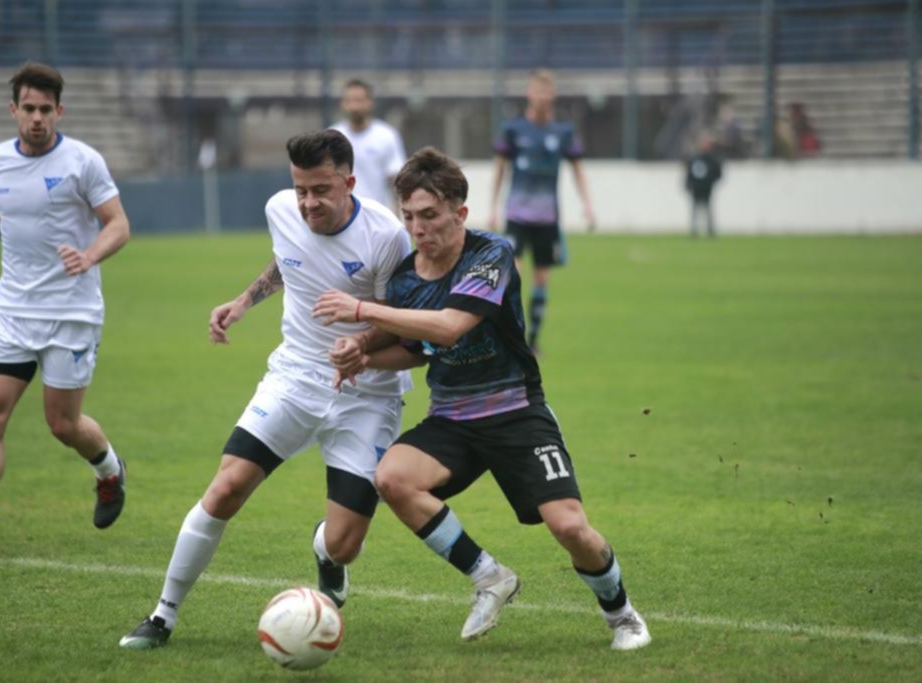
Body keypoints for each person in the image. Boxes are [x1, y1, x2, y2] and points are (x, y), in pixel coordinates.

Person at [314, 147, 651, 651]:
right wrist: (362, 355)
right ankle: (489, 577)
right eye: (408, 217)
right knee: (393, 478)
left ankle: (622, 615)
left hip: (517, 413)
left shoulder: (491, 253)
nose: (418, 228)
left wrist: (362, 312)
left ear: (460, 213)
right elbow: (418, 349)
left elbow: (449, 327)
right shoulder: (406, 278)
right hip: (451, 420)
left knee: (570, 528)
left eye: (429, 215)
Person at [119, 130, 412, 650]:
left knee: (345, 545)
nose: (308, 202)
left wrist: (361, 345)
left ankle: (325, 554)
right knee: (226, 488)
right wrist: (242, 301)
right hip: (295, 377)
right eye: (300, 189)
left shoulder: (387, 236)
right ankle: (163, 615)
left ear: (350, 182)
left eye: (321, 190)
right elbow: (289, 262)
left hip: (367, 394)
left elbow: (402, 321)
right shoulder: (280, 209)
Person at [0, 62, 131, 555]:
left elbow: (118, 225)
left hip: (72, 315)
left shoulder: (83, 161)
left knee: (63, 425)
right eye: (29, 109)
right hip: (12, 312)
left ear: (59, 111)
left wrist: (87, 257)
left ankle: (109, 470)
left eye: (46, 109)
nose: (37, 118)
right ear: (14, 110)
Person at [488, 69, 595, 354]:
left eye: (547, 91)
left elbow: (578, 170)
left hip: (548, 217)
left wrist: (587, 204)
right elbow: (500, 168)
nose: (542, 96)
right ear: (529, 93)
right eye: (537, 90)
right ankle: (513, 335)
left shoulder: (563, 132)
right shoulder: (513, 129)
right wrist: (492, 207)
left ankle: (533, 340)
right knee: (514, 275)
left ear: (553, 95)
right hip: (517, 215)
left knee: (541, 279)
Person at [331, 78, 407, 212]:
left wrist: (397, 215)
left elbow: (396, 181)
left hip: (378, 215)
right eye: (350, 101)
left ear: (370, 103)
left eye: (359, 100)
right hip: (342, 217)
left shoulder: (386, 135)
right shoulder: (332, 136)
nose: (355, 107)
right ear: (342, 104)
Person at [684, 132, 723, 238]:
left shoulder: (712, 159)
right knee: (694, 211)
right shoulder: (695, 158)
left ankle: (710, 230)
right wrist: (687, 184)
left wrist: (711, 182)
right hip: (696, 189)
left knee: (708, 210)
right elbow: (689, 173)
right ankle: (694, 231)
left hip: (707, 189)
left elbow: (718, 173)